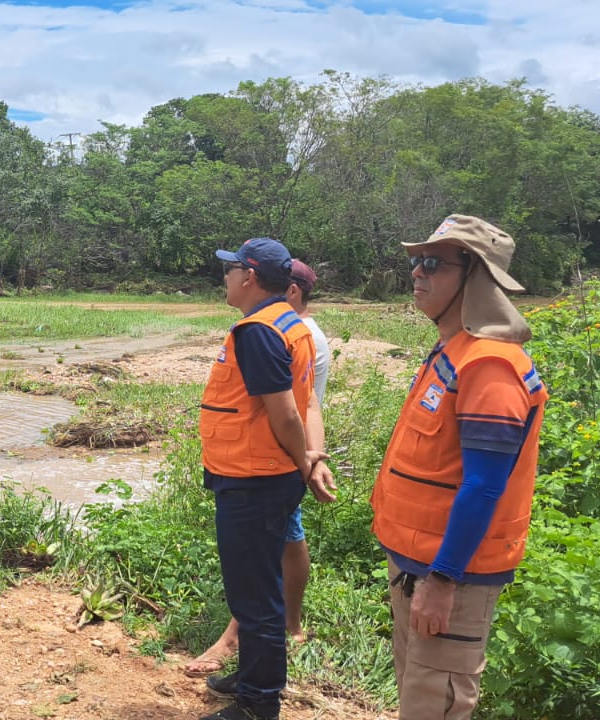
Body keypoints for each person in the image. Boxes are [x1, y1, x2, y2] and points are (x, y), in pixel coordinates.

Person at [372, 215, 547, 720]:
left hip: (449, 577)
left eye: (432, 263)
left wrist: (443, 579)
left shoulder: (489, 366)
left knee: (436, 703)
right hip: (417, 567)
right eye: (414, 262)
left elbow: (485, 485)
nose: (416, 273)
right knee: (417, 695)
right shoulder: (454, 350)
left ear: (474, 274)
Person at [196, 238, 335, 720]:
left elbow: (285, 416)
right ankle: (252, 677)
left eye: (231, 270)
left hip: (254, 480)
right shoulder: (289, 325)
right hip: (258, 476)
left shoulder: (258, 331)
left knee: (254, 595)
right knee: (256, 586)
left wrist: (305, 461)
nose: (226, 277)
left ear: (249, 277)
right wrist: (307, 462)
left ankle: (259, 703)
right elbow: (300, 405)